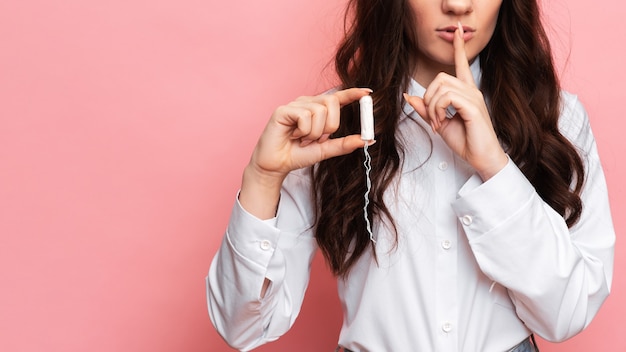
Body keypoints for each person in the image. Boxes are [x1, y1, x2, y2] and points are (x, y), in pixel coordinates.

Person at [206, 0, 615, 350]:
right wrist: (262, 178)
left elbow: (569, 312)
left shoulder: (558, 118)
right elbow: (241, 328)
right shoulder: (328, 126)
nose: (457, 5)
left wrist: (495, 166)